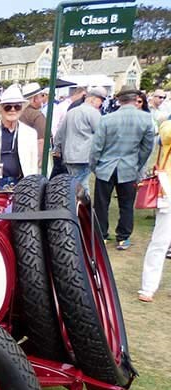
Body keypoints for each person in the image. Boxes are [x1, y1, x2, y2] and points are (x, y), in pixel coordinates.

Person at [90, 87, 155, 250]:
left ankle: (102, 235)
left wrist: (95, 165)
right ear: (136, 99)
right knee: (126, 204)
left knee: (101, 204)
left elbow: (96, 147)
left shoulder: (107, 119)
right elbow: (147, 148)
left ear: (119, 100)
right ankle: (123, 237)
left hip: (105, 167)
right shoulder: (146, 119)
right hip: (129, 167)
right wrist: (137, 164)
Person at [138, 120, 171, 302]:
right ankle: (148, 287)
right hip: (168, 191)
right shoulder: (168, 126)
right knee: (161, 240)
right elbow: (166, 134)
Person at [54, 87, 106, 196]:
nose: (101, 104)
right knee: (81, 185)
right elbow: (101, 134)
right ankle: (81, 210)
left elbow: (60, 133)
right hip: (84, 156)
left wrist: (57, 148)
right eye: (101, 100)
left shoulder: (71, 112)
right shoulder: (93, 113)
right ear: (93, 99)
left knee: (75, 183)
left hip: (68, 155)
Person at [20, 83, 47, 169]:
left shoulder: (17, 113)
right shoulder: (37, 115)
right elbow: (41, 141)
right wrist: (41, 161)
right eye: (41, 96)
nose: (42, 99)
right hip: (32, 158)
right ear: (35, 98)